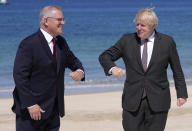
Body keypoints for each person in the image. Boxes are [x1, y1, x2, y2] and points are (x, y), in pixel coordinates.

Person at [99, 8, 188, 131]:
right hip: (132, 101)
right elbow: (105, 56)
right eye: (137, 24)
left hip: (159, 101)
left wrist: (182, 94)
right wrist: (112, 68)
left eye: (143, 25)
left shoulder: (167, 42)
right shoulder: (127, 40)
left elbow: (177, 69)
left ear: (153, 25)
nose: (138, 28)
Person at [12, 6, 85, 131]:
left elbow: (74, 61)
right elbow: (19, 76)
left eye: (63, 19)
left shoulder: (61, 42)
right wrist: (30, 104)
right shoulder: (29, 44)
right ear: (46, 21)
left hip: (53, 112)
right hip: (31, 112)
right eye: (59, 19)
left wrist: (80, 71)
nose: (63, 22)